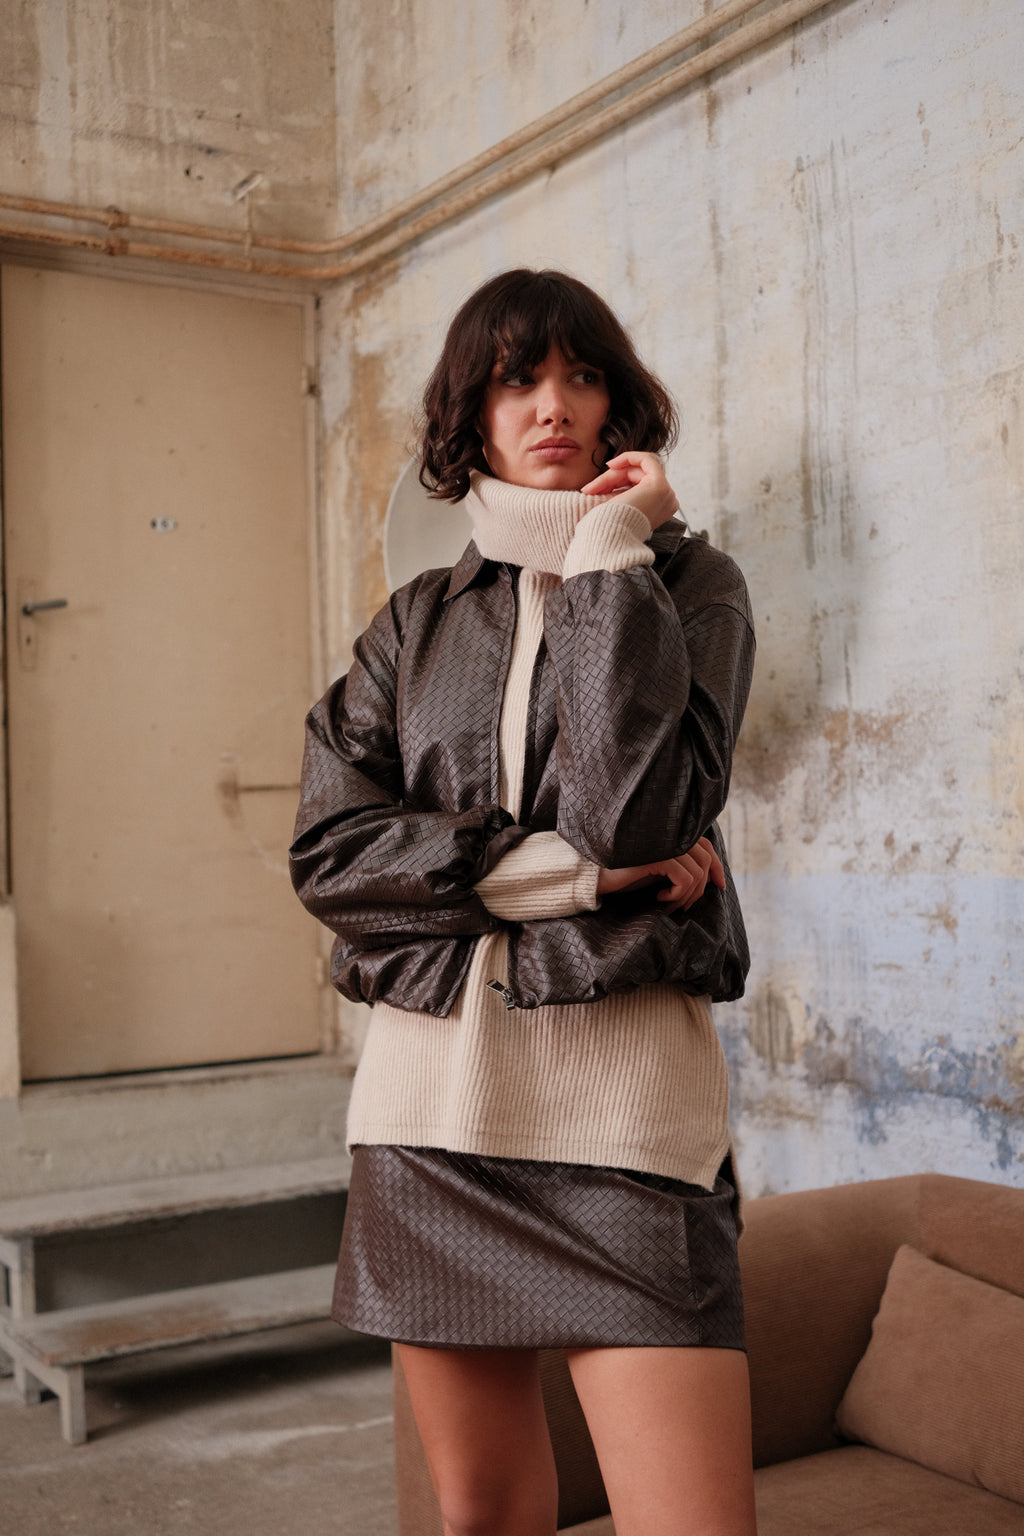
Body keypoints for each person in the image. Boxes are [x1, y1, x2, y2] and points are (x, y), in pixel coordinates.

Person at [290, 268, 757, 1536]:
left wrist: (608, 551)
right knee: (483, 1516)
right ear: (472, 414)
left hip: (630, 1132)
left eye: (580, 376)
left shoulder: (694, 587)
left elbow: (639, 815)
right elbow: (331, 855)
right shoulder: (413, 624)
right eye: (516, 381)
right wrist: (574, 879)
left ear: (617, 405)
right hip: (428, 1120)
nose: (551, 406)